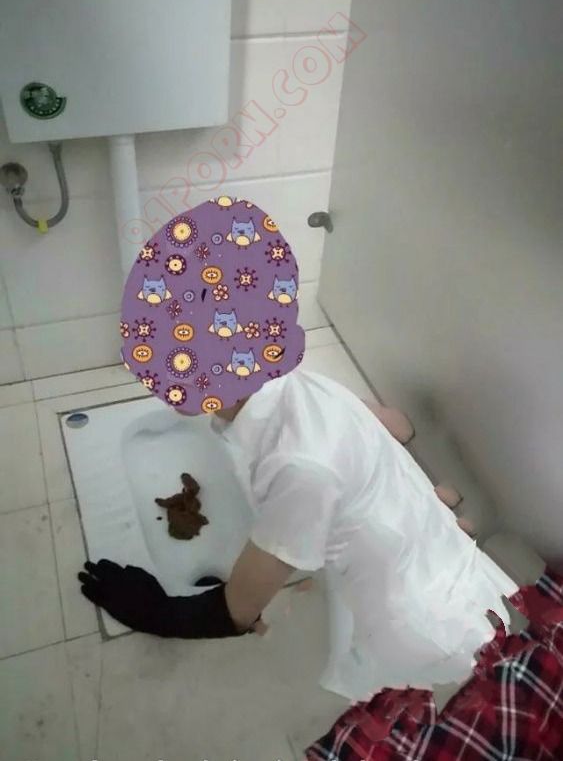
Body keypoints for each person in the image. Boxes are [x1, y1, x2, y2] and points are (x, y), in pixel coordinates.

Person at [79, 198, 517, 701]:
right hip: (449, 570)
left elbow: (237, 611)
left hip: (436, 638)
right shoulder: (305, 386)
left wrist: (155, 611)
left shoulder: (298, 466)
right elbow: (391, 424)